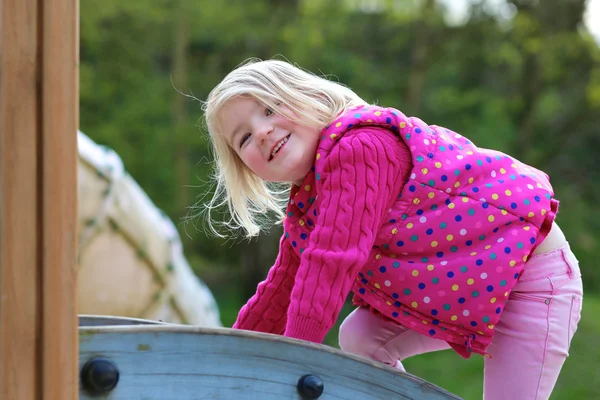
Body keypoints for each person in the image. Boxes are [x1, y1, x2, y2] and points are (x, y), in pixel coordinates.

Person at [199, 58, 583, 399]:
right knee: (361, 337)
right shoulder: (309, 206)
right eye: (244, 137)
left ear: (305, 96)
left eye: (269, 109)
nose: (262, 131)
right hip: (473, 284)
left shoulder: (362, 147)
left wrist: (293, 359)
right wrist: (228, 360)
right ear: (246, 167)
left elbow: (330, 263)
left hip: (532, 283)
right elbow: (281, 290)